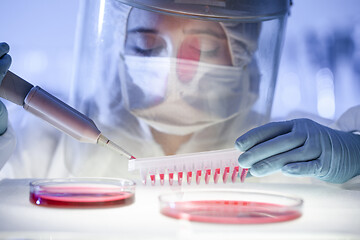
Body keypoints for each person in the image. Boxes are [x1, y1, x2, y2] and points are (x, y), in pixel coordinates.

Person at [0, 0, 358, 184]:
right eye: (145, 45)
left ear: (246, 52)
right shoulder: (43, 141)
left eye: (202, 49)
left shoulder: (298, 147)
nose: (173, 69)